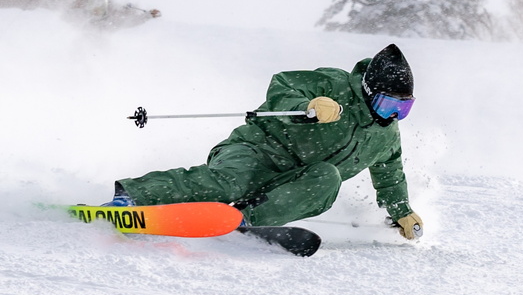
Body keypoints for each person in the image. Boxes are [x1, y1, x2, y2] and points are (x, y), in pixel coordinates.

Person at [108, 43, 424, 240]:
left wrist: (402, 212)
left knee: (327, 178)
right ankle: (132, 198)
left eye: (402, 108)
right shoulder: (334, 84)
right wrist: (307, 107)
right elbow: (283, 85)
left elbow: (390, 174)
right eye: (387, 105)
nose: (393, 115)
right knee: (232, 184)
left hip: (291, 180)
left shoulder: (385, 135)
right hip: (256, 151)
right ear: (369, 92)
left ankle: (244, 221)